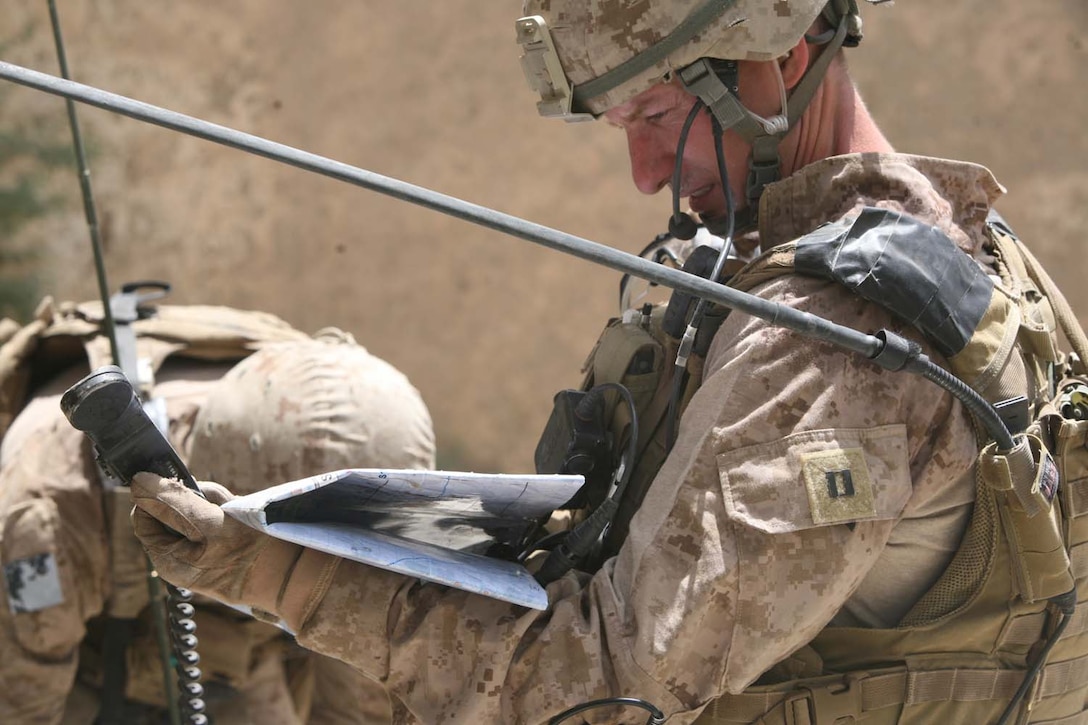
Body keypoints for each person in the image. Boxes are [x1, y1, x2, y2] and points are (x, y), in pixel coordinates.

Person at [126, 2, 1088, 723]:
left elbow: (604, 689)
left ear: (780, 58)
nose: (644, 174)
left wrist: (284, 574)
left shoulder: (831, 341)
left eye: (659, 116)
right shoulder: (969, 248)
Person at [0, 297, 435, 724]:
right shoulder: (48, 511)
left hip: (234, 645)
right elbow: (23, 697)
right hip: (86, 653)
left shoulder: (353, 437)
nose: (328, 565)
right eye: (307, 551)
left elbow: (363, 691)